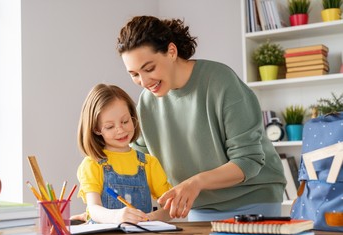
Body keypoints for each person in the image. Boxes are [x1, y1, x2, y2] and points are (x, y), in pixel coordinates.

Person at [116, 15, 286, 221]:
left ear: (171, 51)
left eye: (149, 68)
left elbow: (248, 161)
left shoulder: (221, 82)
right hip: (200, 206)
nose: (143, 81)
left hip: (252, 198)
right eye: (134, 74)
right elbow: (140, 164)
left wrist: (195, 183)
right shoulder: (146, 104)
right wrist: (100, 208)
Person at [75, 83, 172, 224]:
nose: (120, 130)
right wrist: (117, 217)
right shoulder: (92, 164)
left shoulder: (148, 163)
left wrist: (148, 218)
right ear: (96, 129)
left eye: (125, 121)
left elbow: (169, 208)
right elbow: (94, 208)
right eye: (110, 126)